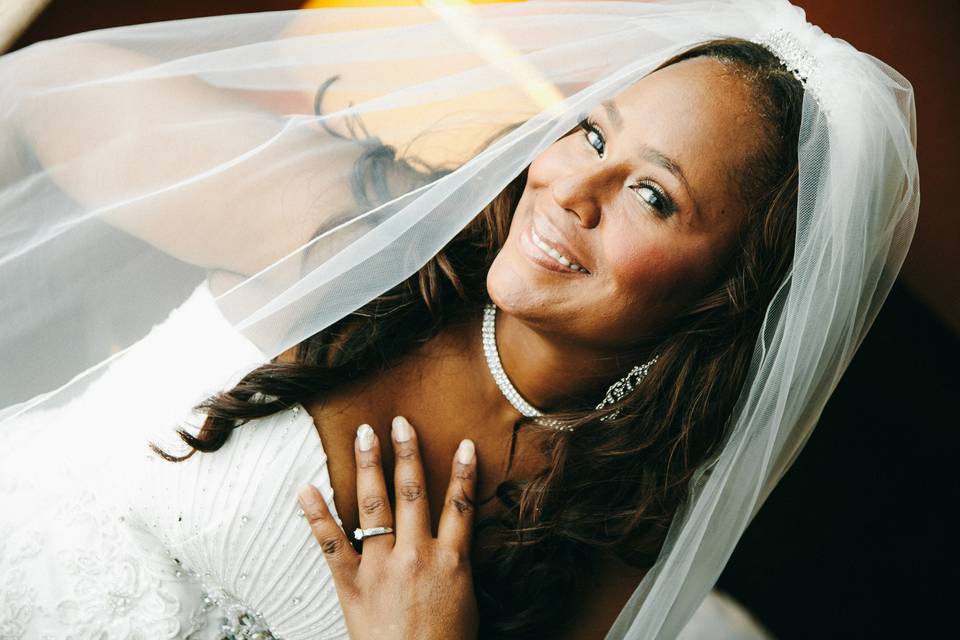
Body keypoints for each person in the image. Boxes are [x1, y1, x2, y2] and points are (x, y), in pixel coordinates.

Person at [0, 1, 918, 639]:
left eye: (651, 194)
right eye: (593, 134)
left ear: (725, 291)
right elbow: (41, 94)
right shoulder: (359, 233)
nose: (571, 190)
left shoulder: (616, 527)